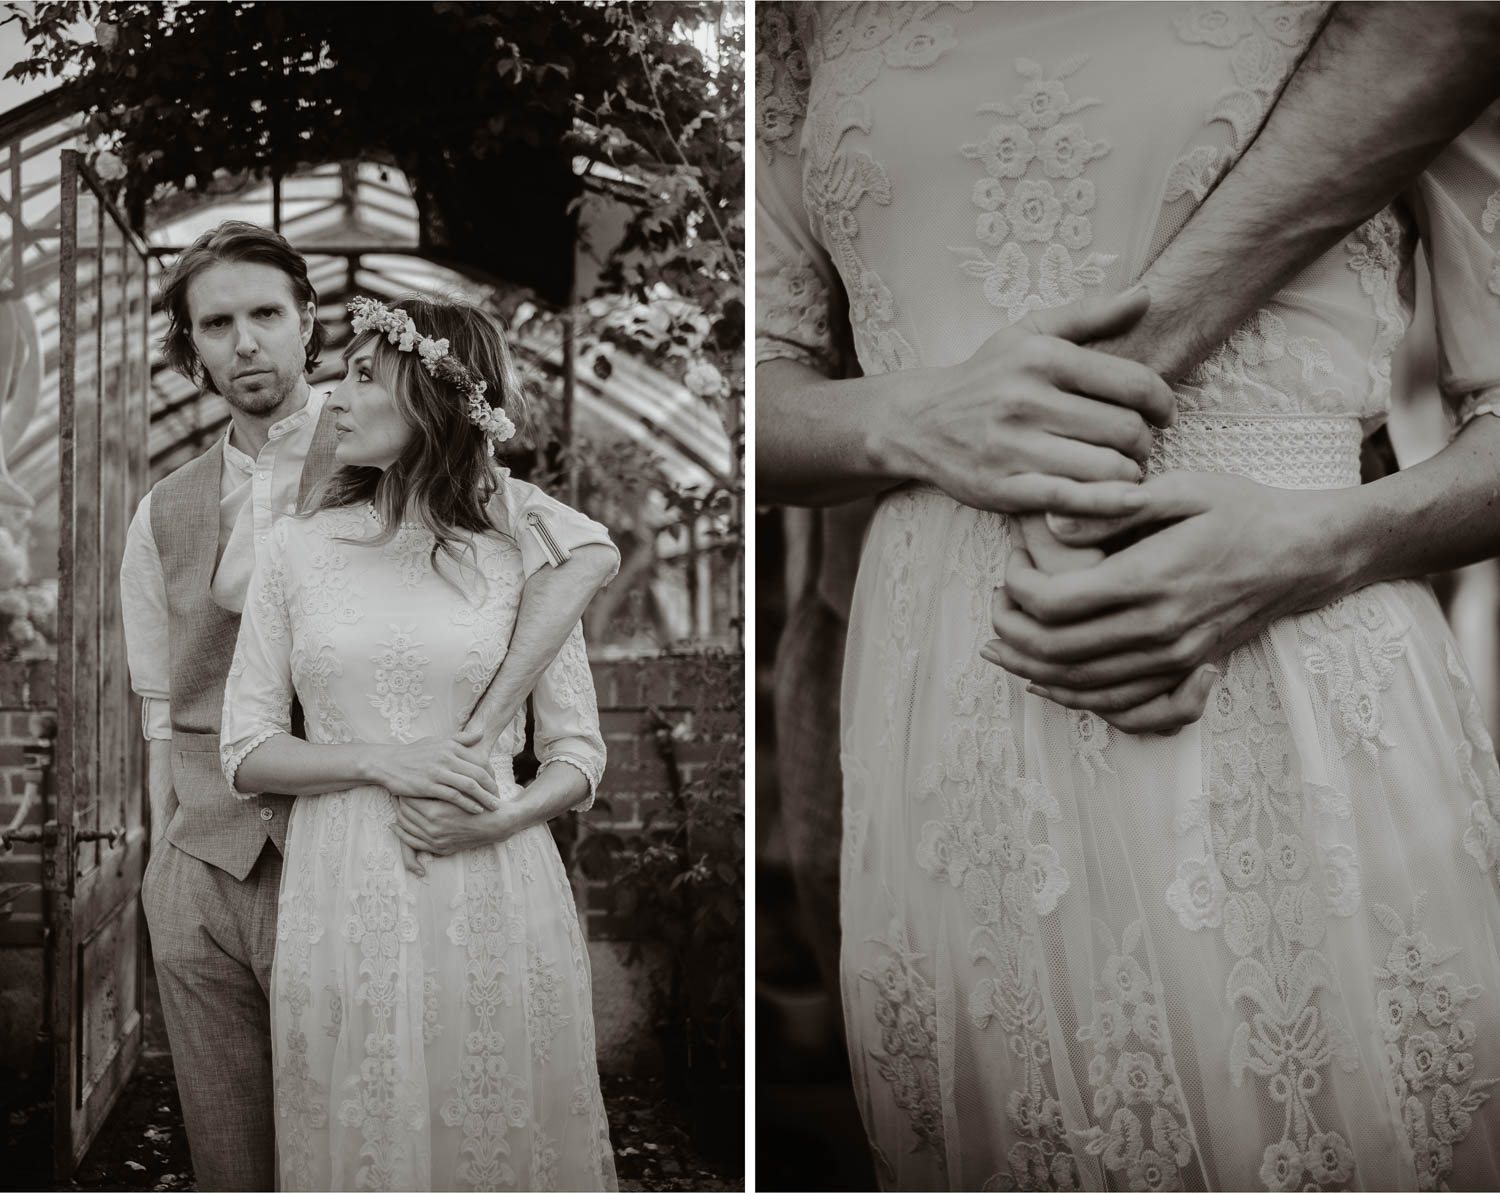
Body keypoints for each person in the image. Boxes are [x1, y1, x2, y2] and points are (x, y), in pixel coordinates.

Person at [758, 3, 1500, 1189]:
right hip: (946, 720)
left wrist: (1321, 544)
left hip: (1292, 686)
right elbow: (749, 392)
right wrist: (910, 412)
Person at [121, 221, 618, 1191]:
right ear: (192, 346)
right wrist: (160, 870)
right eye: (216, 323)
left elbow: (578, 558)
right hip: (210, 856)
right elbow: (159, 700)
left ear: (309, 322)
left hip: (346, 853)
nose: (246, 341)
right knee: (245, 1157)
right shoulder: (165, 510)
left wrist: (482, 759)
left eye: (267, 313)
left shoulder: (415, 471)